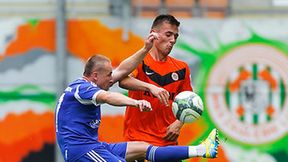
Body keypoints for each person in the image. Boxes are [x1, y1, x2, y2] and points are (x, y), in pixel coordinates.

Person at [55, 33, 219, 161]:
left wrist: (145, 49)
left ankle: (203, 149)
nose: (112, 79)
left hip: (94, 145)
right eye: (109, 75)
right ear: (95, 76)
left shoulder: (93, 84)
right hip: (82, 150)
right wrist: (135, 102)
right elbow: (108, 97)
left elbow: (122, 71)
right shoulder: (82, 88)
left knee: (142, 148)